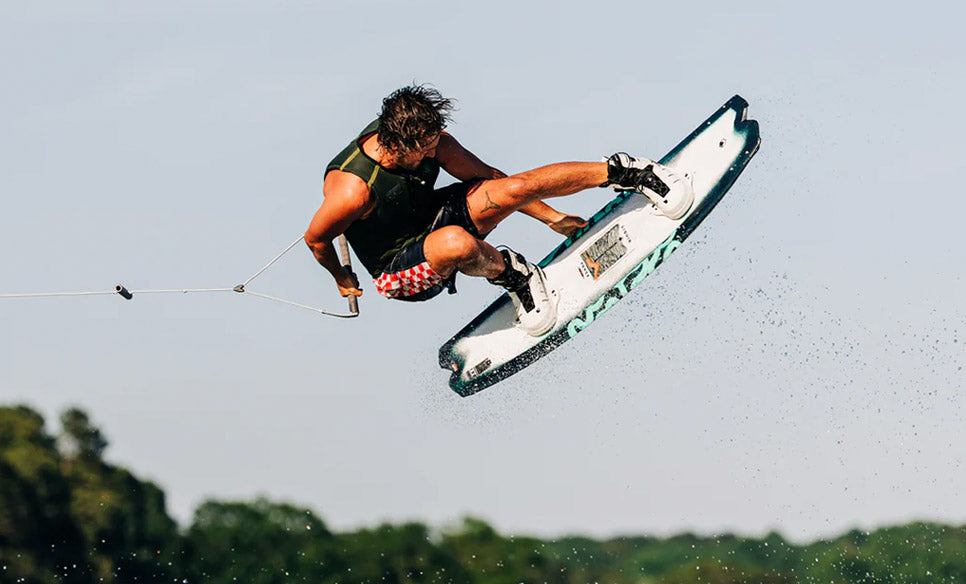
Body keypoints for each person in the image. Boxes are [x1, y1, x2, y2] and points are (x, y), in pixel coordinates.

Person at [305, 85, 693, 335]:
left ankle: (627, 171)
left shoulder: (432, 140)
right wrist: (341, 276)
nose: (434, 151)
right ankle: (514, 276)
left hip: (431, 219)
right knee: (455, 243)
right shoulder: (352, 192)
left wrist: (553, 219)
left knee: (512, 188)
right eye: (424, 149)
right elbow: (316, 239)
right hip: (399, 269)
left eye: (435, 141)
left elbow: (491, 178)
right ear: (397, 144)